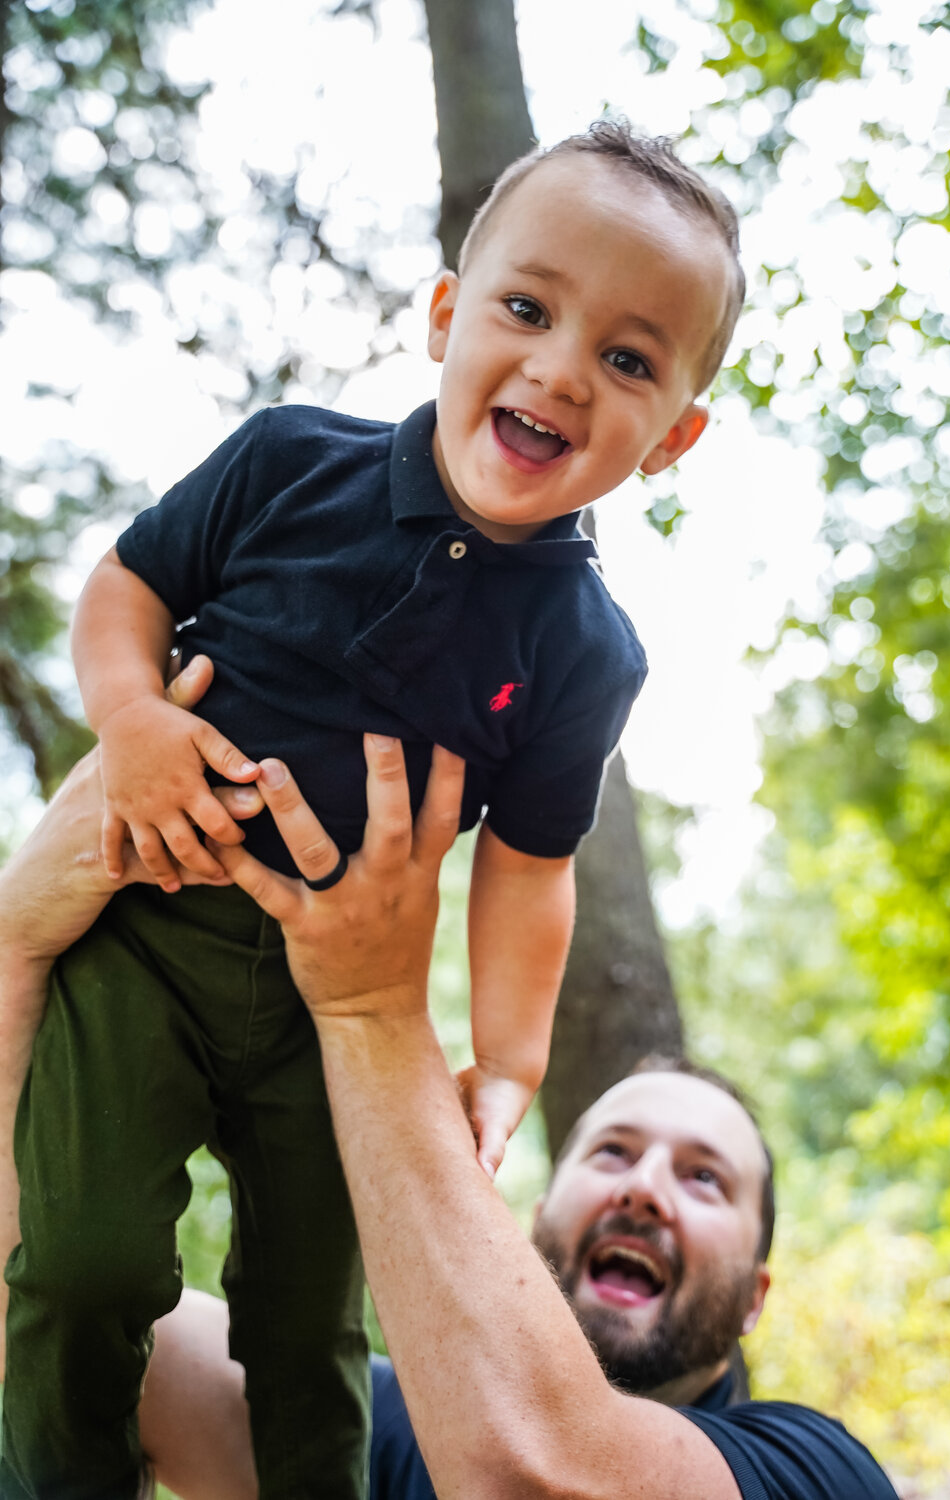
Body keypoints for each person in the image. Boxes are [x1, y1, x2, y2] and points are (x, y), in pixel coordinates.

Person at [2, 120, 745, 1497]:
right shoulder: (289, 462)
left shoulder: (586, 648)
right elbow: (125, 590)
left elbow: (532, 866)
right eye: (527, 309)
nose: (561, 369)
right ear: (449, 317)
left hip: (323, 1007)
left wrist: (510, 1061)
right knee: (84, 1261)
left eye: (629, 359)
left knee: (306, 1323)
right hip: (144, 938)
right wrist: (136, 717)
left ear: (673, 438)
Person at [0, 719, 900, 1500]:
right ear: (536, 1216)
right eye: (613, 1153)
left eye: (706, 1177)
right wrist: (12, 949)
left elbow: (539, 1480)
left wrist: (371, 1005)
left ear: (755, 1297)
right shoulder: (370, 1429)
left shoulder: (815, 1471)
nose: (646, 1190)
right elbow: (42, 1317)